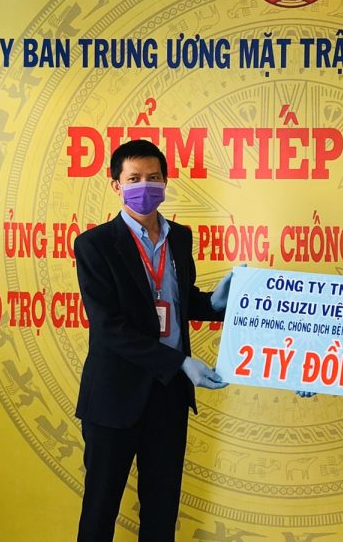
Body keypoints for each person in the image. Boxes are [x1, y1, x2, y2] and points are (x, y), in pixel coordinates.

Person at [74, 139, 234, 541]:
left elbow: (178, 301)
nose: (144, 186)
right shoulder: (94, 245)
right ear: (116, 185)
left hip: (169, 395)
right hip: (114, 397)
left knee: (162, 512)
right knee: (99, 512)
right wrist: (179, 361)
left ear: (165, 181)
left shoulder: (179, 237)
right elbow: (109, 327)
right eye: (134, 179)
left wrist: (215, 303)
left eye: (153, 177)